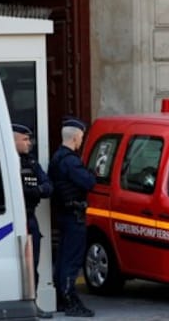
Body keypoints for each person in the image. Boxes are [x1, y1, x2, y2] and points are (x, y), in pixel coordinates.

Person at [49, 116, 96, 317]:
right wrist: (92, 173)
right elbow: (88, 183)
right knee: (71, 260)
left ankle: (61, 298)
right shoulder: (70, 161)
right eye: (81, 136)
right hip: (73, 215)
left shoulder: (57, 157)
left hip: (63, 214)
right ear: (76, 137)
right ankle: (70, 301)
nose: (81, 140)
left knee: (62, 259)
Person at [12, 123, 53, 319]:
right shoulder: (8, 161)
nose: (29, 143)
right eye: (25, 139)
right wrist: (33, 191)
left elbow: (47, 186)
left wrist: (33, 191)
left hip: (30, 218)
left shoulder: (31, 163)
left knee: (33, 265)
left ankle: (33, 305)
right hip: (12, 221)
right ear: (14, 139)